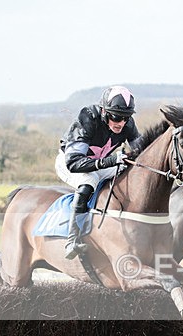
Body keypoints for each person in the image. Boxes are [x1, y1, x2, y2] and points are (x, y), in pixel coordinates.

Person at [56, 85, 141, 259]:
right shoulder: (87, 117)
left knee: (128, 174)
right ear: (104, 111)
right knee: (89, 181)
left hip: (99, 164)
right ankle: (73, 238)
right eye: (117, 117)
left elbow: (141, 153)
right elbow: (74, 163)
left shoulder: (127, 124)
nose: (121, 123)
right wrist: (111, 161)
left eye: (126, 117)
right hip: (69, 162)